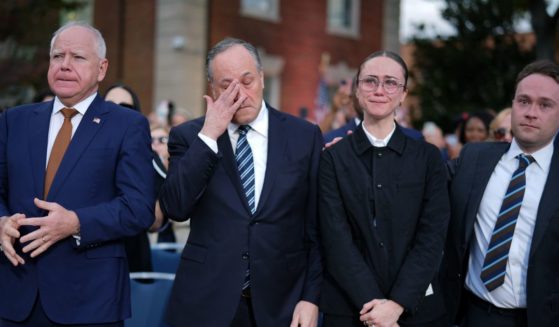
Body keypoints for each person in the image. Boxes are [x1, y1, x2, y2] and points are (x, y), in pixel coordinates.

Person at [0, 22, 154, 326]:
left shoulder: (127, 126)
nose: (65, 65)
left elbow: (139, 208)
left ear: (101, 68)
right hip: (15, 296)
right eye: (58, 56)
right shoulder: (13, 121)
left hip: (90, 301)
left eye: (78, 57)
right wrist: (1, 222)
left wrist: (76, 223)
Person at [159, 38, 322, 327]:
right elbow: (175, 207)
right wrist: (209, 134)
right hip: (205, 303)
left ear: (261, 78)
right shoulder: (189, 136)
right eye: (227, 85)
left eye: (247, 81)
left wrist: (311, 298)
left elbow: (317, 227)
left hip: (281, 304)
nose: (240, 93)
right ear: (212, 89)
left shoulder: (304, 137)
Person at [319, 50, 450, 327]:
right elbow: (335, 238)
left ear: (403, 94)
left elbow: (432, 236)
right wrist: (374, 307)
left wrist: (397, 304)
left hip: (416, 310)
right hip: (349, 309)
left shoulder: (428, 158)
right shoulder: (332, 158)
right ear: (357, 89)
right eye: (370, 81)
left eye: (391, 82)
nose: (379, 90)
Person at [443, 60, 559, 327]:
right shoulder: (474, 158)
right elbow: (417, 179)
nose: (531, 112)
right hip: (470, 314)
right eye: (524, 101)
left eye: (545, 105)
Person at [104, 83, 156, 273]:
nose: (117, 112)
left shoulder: (148, 155)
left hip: (133, 252)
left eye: (125, 107)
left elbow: (155, 218)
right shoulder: (84, 151)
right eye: (110, 105)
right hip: (95, 250)